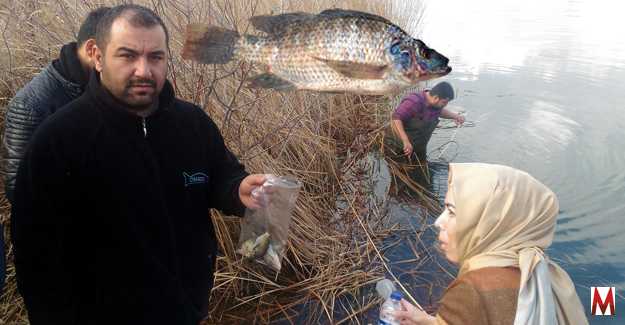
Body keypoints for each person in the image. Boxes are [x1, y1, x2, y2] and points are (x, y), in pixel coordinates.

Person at [11, 4, 267, 324]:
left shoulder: (193, 124)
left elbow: (219, 174)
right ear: (98, 57)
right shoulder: (59, 139)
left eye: (155, 57)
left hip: (186, 308)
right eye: (128, 55)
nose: (144, 70)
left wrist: (237, 189)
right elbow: (36, 255)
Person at [1, 5, 110, 296]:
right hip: (58, 250)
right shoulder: (31, 105)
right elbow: (18, 188)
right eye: (120, 54)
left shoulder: (101, 91)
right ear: (91, 50)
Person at [392, 163, 588, 325]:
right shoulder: (544, 273)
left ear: (489, 223)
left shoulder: (473, 290)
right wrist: (428, 320)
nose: (438, 222)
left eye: (452, 212)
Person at [391, 81, 465, 161]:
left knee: (423, 170)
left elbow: (440, 111)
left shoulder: (435, 104)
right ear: (436, 97)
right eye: (444, 102)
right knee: (403, 170)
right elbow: (395, 119)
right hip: (399, 146)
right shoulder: (414, 101)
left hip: (419, 147)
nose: (445, 105)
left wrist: (455, 116)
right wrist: (405, 141)